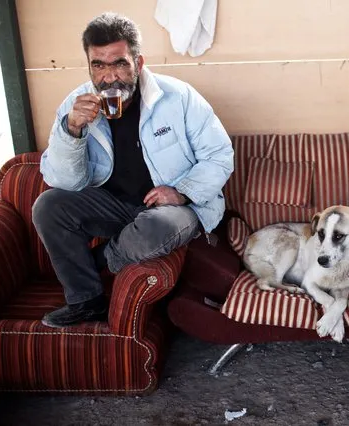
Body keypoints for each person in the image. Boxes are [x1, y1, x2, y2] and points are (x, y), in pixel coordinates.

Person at [32, 12, 234, 328]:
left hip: (172, 210)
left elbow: (220, 155)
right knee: (48, 206)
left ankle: (103, 261)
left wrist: (182, 191)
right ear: (89, 66)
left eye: (119, 64)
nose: (109, 77)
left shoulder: (177, 96)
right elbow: (62, 181)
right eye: (99, 65)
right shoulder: (76, 104)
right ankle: (86, 301)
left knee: (156, 227)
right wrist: (72, 130)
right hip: (113, 206)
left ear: (138, 63)